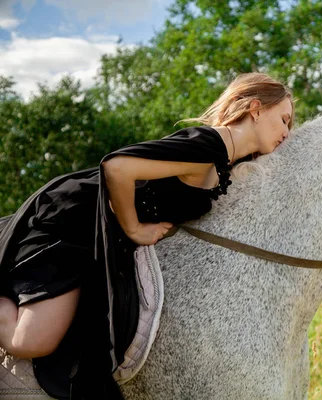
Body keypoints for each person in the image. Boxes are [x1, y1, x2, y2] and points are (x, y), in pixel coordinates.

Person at [0, 72, 294, 398]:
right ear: (255, 108)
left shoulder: (223, 160)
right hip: (75, 221)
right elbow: (118, 167)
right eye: (284, 120)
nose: (286, 132)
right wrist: (135, 228)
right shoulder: (209, 145)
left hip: (97, 233)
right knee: (30, 341)